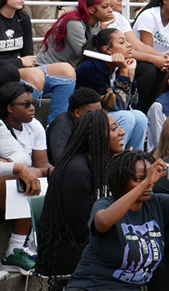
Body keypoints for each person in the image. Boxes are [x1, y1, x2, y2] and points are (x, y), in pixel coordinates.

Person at [66, 150, 169, 289]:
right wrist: (145, 183)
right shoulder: (105, 204)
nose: (150, 184)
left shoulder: (156, 203)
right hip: (91, 286)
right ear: (121, 180)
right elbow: (103, 222)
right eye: (139, 179)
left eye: (151, 177)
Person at [36, 110, 125, 278]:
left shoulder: (101, 165)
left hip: (92, 248)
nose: (122, 131)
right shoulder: (76, 171)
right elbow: (81, 231)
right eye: (114, 129)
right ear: (93, 138)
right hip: (71, 254)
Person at [0, 0, 76, 123]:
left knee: (66, 71)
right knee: (33, 75)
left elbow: (30, 58)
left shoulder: (23, 18)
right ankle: (17, 122)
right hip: (5, 73)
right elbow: (25, 61)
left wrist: (22, 63)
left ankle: (55, 124)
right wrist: (20, 62)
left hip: (18, 72)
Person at [94, 0, 169, 110]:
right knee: (148, 69)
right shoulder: (95, 21)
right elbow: (123, 52)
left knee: (163, 67)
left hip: (123, 62)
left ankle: (147, 111)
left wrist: (162, 57)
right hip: (110, 66)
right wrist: (154, 59)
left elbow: (136, 45)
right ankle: (137, 110)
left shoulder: (119, 17)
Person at [0, 82, 53, 273]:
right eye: (26, 104)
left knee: (37, 178)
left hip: (25, 181)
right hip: (7, 186)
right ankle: (15, 249)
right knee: (16, 177)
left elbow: (41, 164)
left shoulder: (35, 126)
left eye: (33, 103)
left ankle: (29, 247)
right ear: (9, 108)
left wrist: (56, 172)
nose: (32, 108)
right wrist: (20, 169)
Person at [75, 28, 147, 152]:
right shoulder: (91, 68)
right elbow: (118, 106)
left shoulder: (118, 66)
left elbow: (132, 103)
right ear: (107, 49)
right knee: (126, 117)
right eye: (121, 42)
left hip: (110, 115)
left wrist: (130, 73)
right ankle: (114, 160)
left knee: (140, 117)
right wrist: (125, 73)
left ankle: (134, 161)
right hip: (88, 119)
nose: (128, 44)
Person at [46, 87, 102, 164]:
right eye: (94, 113)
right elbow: (59, 159)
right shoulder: (62, 124)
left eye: (100, 112)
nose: (99, 116)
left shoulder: (94, 124)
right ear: (77, 113)